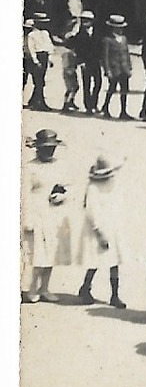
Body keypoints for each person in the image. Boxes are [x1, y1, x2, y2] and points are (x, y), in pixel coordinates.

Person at [21, 129, 69, 303]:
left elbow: (67, 186)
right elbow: (24, 194)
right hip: (37, 212)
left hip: (54, 213)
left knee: (52, 253)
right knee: (37, 255)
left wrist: (63, 195)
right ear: (38, 148)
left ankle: (45, 288)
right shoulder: (30, 167)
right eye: (46, 148)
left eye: (52, 148)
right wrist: (27, 219)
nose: (50, 152)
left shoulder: (60, 165)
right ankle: (33, 288)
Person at [76, 154, 129, 308]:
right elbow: (91, 211)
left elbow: (118, 204)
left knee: (114, 261)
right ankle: (85, 287)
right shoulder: (93, 188)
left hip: (113, 226)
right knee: (95, 260)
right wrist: (99, 232)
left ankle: (115, 295)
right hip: (98, 228)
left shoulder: (114, 184)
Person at [99, 14, 133, 119]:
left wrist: (129, 66)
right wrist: (107, 70)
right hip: (114, 69)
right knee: (112, 89)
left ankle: (123, 111)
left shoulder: (124, 39)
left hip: (124, 68)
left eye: (121, 28)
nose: (120, 30)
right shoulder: (107, 40)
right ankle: (106, 108)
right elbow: (105, 57)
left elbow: (127, 53)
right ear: (113, 28)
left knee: (124, 90)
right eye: (118, 28)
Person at [70, 11, 103, 116]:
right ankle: (88, 106)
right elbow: (78, 49)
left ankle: (94, 103)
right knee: (86, 84)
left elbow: (99, 47)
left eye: (87, 20)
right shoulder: (79, 34)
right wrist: (81, 62)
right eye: (83, 20)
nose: (85, 22)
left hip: (95, 61)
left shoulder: (97, 32)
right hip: (85, 63)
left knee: (98, 83)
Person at [23, 15, 54, 112]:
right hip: (38, 56)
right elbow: (31, 48)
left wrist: (50, 58)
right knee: (38, 81)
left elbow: (49, 46)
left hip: (44, 56)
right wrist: (36, 61)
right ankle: (39, 102)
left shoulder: (45, 33)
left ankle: (35, 100)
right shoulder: (31, 35)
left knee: (41, 80)